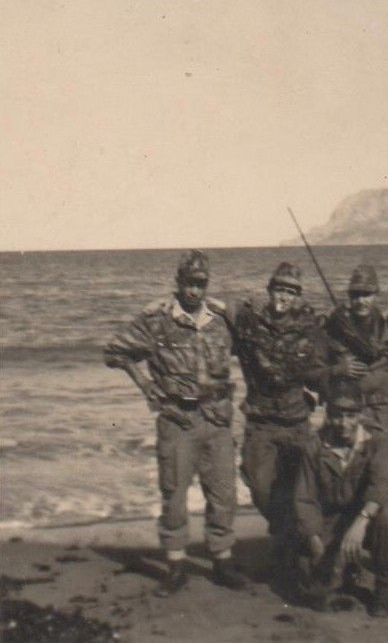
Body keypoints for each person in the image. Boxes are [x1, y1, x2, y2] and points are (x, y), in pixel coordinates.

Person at [103, 250, 246, 597]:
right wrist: (145, 384)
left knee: (224, 493)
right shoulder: (157, 319)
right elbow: (115, 352)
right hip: (177, 419)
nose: (195, 290)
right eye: (189, 283)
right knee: (174, 494)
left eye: (201, 284)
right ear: (178, 282)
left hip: (217, 418)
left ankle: (222, 561)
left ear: (207, 284)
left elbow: (255, 346)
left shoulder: (222, 319)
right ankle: (176, 565)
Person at [234, 262, 325, 575]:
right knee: (261, 488)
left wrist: (322, 389)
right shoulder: (249, 322)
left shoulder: (311, 327)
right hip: (261, 422)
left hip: (297, 422)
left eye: (290, 292)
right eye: (279, 290)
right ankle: (285, 535)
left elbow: (322, 368)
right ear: (269, 291)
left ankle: (289, 546)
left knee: (300, 490)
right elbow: (216, 314)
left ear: (298, 297)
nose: (283, 297)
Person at [294, 405, 388, 617]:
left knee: (387, 518)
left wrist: (361, 521)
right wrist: (313, 537)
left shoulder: (376, 440)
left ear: (362, 414)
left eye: (351, 416)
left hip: (366, 515)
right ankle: (346, 570)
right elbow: (305, 498)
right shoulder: (315, 445)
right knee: (315, 592)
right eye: (337, 416)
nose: (344, 423)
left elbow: (384, 485)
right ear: (328, 416)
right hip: (332, 518)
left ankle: (385, 587)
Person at [323, 264, 388, 490]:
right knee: (354, 493)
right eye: (355, 295)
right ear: (349, 297)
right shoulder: (334, 332)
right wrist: (338, 369)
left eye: (366, 294)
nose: (361, 301)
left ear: (376, 295)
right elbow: (317, 379)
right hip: (353, 429)